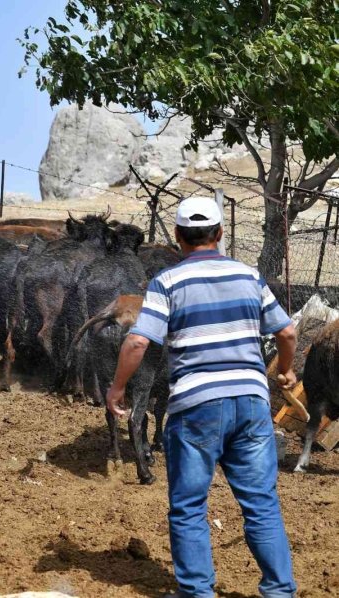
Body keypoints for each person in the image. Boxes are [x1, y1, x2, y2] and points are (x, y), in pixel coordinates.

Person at [105, 196, 298, 598]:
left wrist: (117, 387)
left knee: (189, 507)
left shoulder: (167, 282)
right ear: (220, 234)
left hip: (196, 407)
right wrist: (285, 369)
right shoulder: (250, 276)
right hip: (251, 404)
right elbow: (287, 332)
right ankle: (279, 591)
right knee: (261, 504)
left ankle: (197, 592)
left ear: (177, 237)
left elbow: (139, 341)